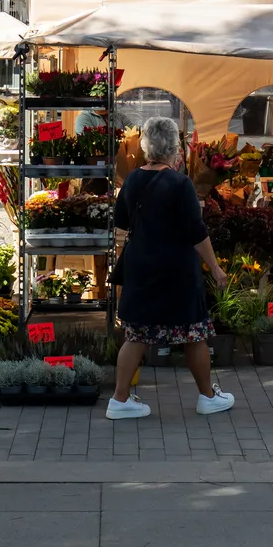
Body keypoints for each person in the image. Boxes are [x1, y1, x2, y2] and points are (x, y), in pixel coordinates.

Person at [105, 116, 236, 420]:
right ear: (174, 149)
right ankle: (207, 396)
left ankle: (119, 399)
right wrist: (215, 268)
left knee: (135, 334)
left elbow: (122, 221)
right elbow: (196, 231)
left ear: (146, 147)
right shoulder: (181, 183)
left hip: (141, 266)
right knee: (192, 332)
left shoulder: (133, 179)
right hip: (176, 269)